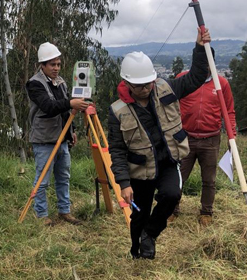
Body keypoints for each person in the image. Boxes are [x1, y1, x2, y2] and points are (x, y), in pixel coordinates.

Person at [108, 28, 211, 259]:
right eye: (140, 86)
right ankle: (137, 252)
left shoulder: (166, 88)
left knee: (172, 195)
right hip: (140, 171)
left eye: (148, 83)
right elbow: (116, 149)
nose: (146, 89)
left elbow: (196, 77)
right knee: (139, 216)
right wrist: (124, 184)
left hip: (167, 163)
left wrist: (200, 48)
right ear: (127, 83)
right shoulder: (117, 111)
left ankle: (151, 235)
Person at [26, 42, 90, 226]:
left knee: (64, 177)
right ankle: (41, 214)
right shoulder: (34, 84)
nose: (56, 68)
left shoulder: (61, 82)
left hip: (62, 139)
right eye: (52, 64)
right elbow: (49, 107)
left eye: (58, 64)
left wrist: (72, 132)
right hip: (44, 140)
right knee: (42, 180)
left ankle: (64, 211)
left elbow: (65, 112)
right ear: (42, 65)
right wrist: (71, 103)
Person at [170, 72, 236, 226]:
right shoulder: (183, 79)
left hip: (210, 139)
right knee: (178, 177)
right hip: (185, 138)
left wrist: (232, 135)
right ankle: (171, 210)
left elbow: (229, 111)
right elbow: (170, 104)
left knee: (209, 179)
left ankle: (206, 212)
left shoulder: (221, 84)